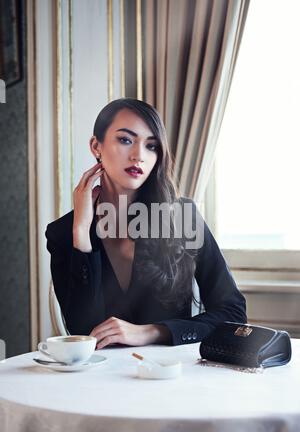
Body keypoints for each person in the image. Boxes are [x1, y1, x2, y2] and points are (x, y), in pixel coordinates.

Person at [46, 98, 246, 349]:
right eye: (126, 140)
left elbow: (233, 313)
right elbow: (83, 331)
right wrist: (81, 233)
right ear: (96, 146)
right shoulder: (64, 232)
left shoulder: (182, 217)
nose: (139, 156)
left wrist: (152, 332)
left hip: (172, 375)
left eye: (151, 146)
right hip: (101, 380)